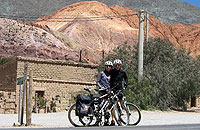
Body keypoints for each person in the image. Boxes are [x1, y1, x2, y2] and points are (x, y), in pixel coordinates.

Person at [109, 59, 128, 126]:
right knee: (112, 104)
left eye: (118, 65)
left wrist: (125, 84)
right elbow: (107, 77)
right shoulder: (112, 71)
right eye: (116, 65)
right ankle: (113, 119)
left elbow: (126, 79)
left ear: (120, 65)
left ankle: (120, 115)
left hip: (120, 89)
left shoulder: (123, 72)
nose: (117, 66)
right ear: (114, 66)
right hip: (112, 89)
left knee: (120, 102)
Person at [96, 60, 113, 126]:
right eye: (107, 66)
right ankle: (99, 119)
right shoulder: (101, 73)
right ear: (105, 67)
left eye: (109, 66)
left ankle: (107, 121)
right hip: (102, 91)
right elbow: (98, 82)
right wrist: (102, 87)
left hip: (109, 91)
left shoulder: (111, 75)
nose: (108, 67)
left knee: (108, 106)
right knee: (101, 105)